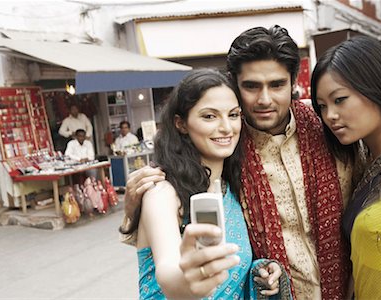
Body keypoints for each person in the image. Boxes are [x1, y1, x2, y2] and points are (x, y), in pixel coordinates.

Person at [122, 25, 353, 300]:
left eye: (277, 85)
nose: (264, 99)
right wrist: (132, 214)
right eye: (251, 86)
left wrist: (262, 270)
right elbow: (168, 265)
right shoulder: (229, 153)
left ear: (294, 83)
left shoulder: (331, 133)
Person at [121, 68, 291, 299]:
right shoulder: (162, 192)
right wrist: (187, 279)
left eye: (232, 115)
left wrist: (260, 271)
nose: (226, 127)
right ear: (181, 124)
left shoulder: (230, 189)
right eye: (209, 116)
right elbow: (170, 273)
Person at [311, 36, 381, 299]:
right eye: (322, 106)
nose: (330, 116)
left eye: (340, 99)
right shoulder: (362, 164)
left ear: (376, 88)